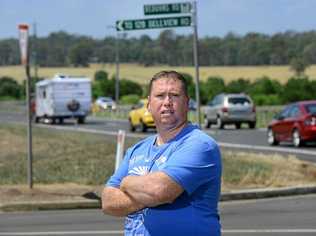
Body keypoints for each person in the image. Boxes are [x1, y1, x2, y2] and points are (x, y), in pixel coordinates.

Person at [102, 71, 222, 236]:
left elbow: (160, 190)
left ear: (187, 103)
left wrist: (126, 182)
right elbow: (108, 202)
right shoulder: (137, 150)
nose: (167, 102)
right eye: (160, 96)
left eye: (174, 95)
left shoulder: (199, 145)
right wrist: (147, 195)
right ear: (149, 105)